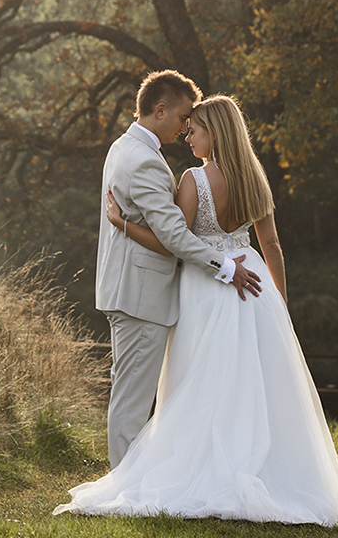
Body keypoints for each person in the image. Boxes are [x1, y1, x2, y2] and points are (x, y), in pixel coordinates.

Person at [57, 95, 338, 526]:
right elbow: (271, 244)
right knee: (252, 382)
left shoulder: (194, 179)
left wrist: (122, 223)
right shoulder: (255, 178)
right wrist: (279, 302)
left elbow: (172, 241)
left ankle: (201, 469)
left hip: (208, 285)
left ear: (214, 133)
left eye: (194, 130)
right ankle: (261, 468)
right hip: (255, 282)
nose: (187, 136)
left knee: (199, 378)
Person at [92, 70, 262, 471]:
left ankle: (129, 483)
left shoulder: (124, 146)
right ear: (160, 109)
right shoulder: (145, 162)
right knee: (133, 402)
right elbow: (173, 236)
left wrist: (123, 224)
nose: (186, 127)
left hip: (129, 289)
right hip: (140, 294)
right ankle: (125, 490)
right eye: (184, 117)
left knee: (131, 395)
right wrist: (225, 266)